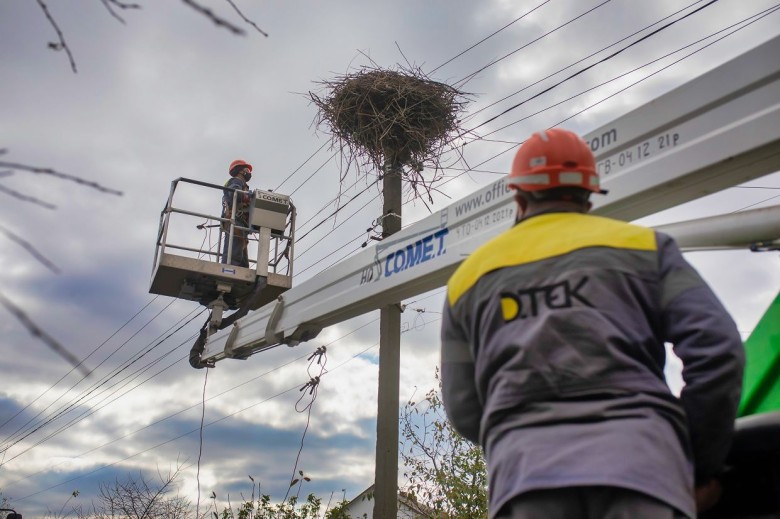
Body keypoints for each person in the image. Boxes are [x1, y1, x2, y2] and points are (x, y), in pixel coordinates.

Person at [440, 128, 744, 519]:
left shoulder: (467, 280)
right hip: (643, 470)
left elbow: (465, 411)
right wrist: (694, 464)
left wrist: (522, 440)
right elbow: (718, 350)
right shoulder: (647, 249)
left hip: (526, 482)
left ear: (518, 195)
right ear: (589, 193)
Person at [222, 159, 253, 267]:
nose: (249, 172)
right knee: (233, 256)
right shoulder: (236, 181)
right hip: (235, 220)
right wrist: (251, 196)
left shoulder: (241, 184)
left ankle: (241, 272)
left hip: (241, 223)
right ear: (240, 171)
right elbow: (236, 194)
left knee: (242, 260)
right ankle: (228, 271)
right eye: (247, 169)